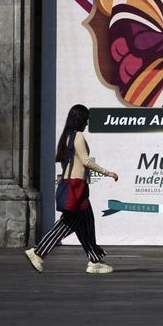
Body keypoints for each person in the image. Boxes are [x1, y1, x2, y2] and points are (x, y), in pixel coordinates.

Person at [24, 104, 119, 274]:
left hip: (73, 185)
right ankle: (38, 252)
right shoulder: (78, 137)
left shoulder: (67, 136)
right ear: (80, 119)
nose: (88, 123)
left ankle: (94, 260)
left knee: (87, 222)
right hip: (76, 187)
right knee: (68, 223)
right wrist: (107, 172)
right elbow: (86, 161)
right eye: (86, 119)